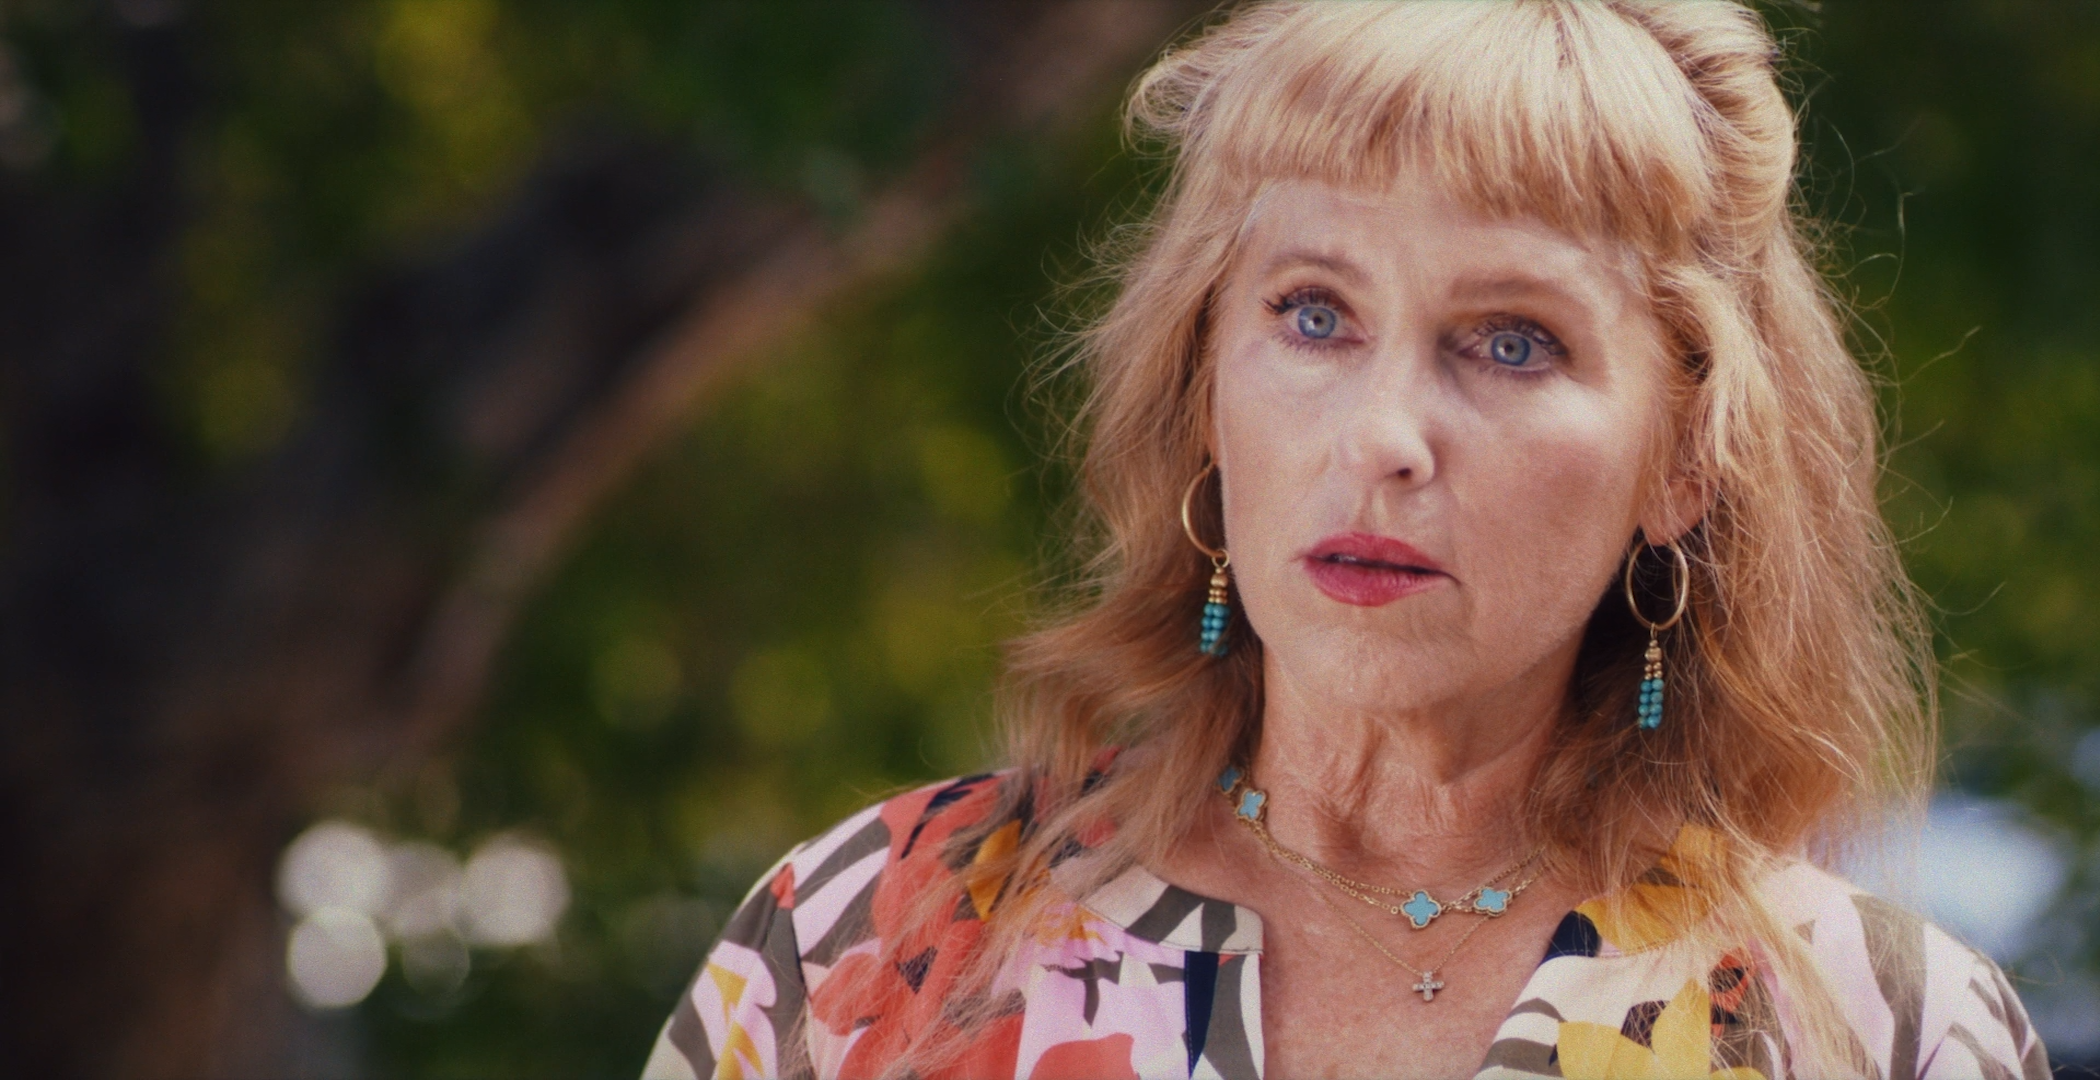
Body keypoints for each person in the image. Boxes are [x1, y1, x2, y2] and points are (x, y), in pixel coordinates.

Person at [641, 3, 2048, 1077]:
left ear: (1683, 460)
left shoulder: (1877, 1026)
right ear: (1205, 386)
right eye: (1314, 315)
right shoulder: (869, 933)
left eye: (1512, 341)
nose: (1383, 436)